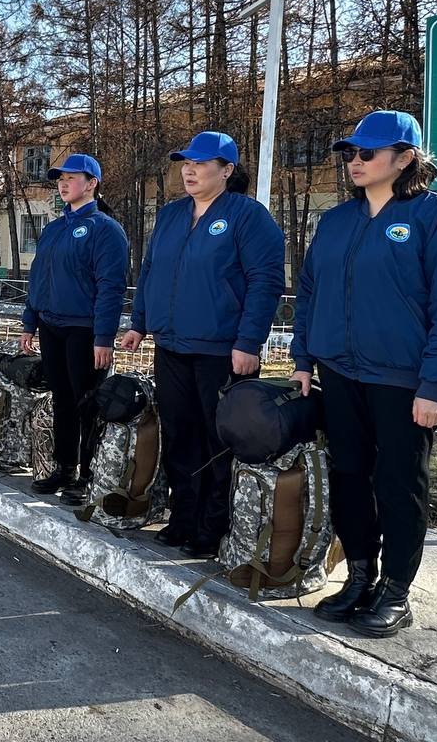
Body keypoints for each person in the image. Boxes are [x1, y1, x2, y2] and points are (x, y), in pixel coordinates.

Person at [291, 111, 437, 638]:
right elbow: (310, 292)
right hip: (339, 372)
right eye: (350, 153)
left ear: (404, 159)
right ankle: (359, 576)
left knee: (399, 486)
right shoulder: (336, 222)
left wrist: (436, 384)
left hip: (402, 381)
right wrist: (304, 357)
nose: (356, 161)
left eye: (368, 154)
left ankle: (396, 591)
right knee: (348, 478)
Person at [120, 131, 285, 559]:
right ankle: (183, 517)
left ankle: (213, 528)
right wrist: (140, 322)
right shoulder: (173, 215)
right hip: (171, 344)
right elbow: (152, 271)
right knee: (180, 434)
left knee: (217, 440)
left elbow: (264, 283)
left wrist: (249, 341)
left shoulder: (248, 217)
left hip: (221, 350)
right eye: (185, 163)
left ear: (227, 170)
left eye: (201, 163)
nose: (189, 170)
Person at [21, 154, 129, 499]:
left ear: (92, 183)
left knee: (87, 403)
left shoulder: (105, 229)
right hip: (53, 326)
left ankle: (89, 475)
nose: (63, 184)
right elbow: (38, 278)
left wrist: (103, 337)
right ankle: (64, 468)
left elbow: (111, 287)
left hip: (84, 330)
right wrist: (29, 322)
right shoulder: (54, 228)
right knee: (63, 400)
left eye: (71, 178)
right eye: (59, 179)